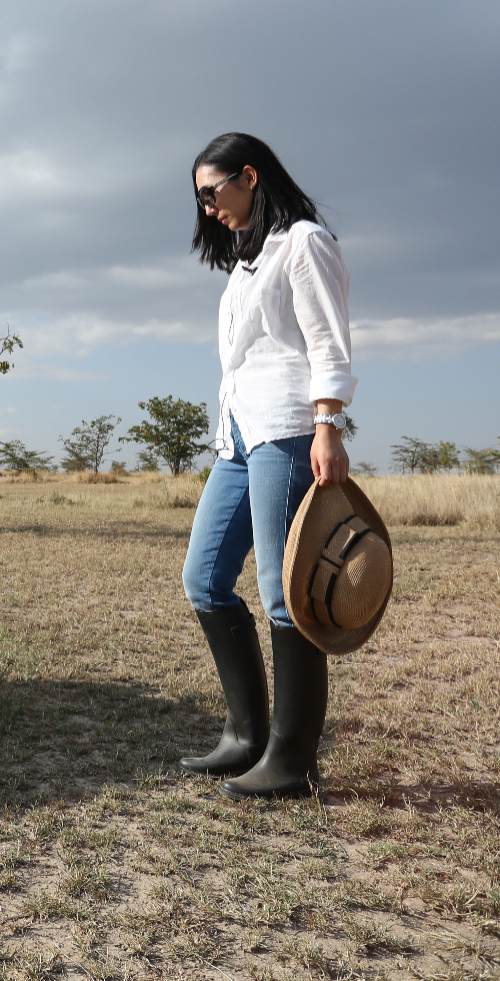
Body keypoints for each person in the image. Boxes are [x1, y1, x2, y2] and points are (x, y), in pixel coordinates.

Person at [178, 132, 354, 799]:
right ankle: (245, 735)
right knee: (204, 578)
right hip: (240, 437)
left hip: (287, 431)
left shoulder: (304, 242)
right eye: (199, 199)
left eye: (211, 193)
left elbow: (326, 341)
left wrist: (327, 427)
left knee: (284, 592)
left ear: (249, 176)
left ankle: (291, 759)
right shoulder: (247, 263)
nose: (207, 209)